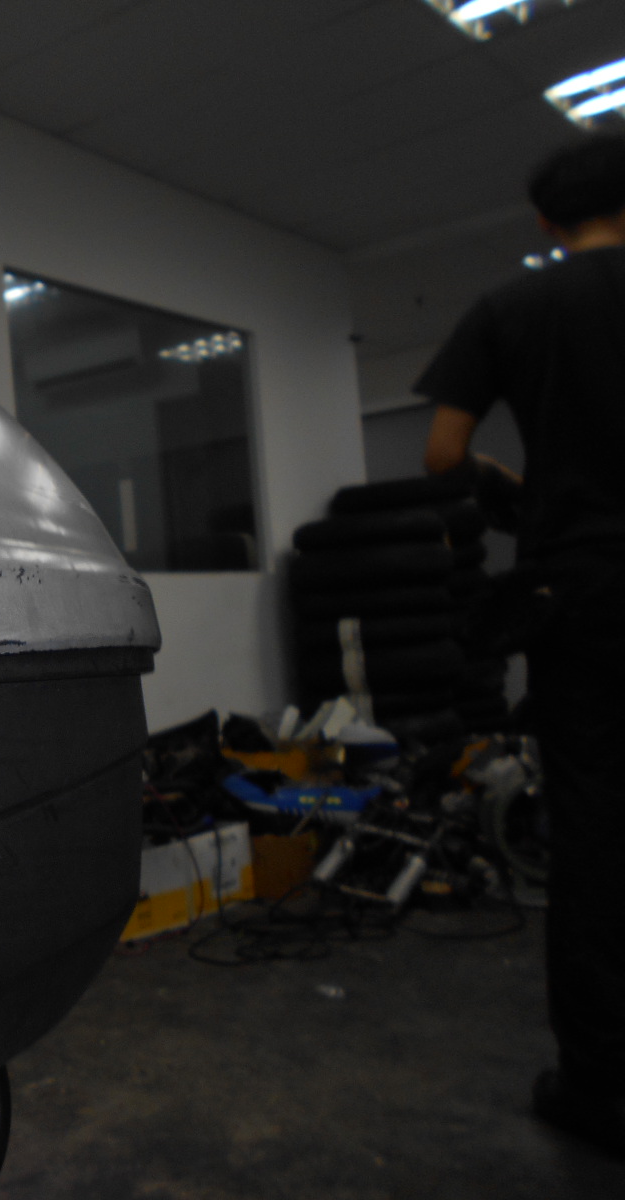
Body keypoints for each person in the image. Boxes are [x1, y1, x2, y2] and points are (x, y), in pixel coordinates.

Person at [416, 132, 625, 1158]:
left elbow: (442, 453)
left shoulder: (513, 306)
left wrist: (515, 490)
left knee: (593, 835)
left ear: (546, 221)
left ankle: (599, 1092)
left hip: (581, 594)